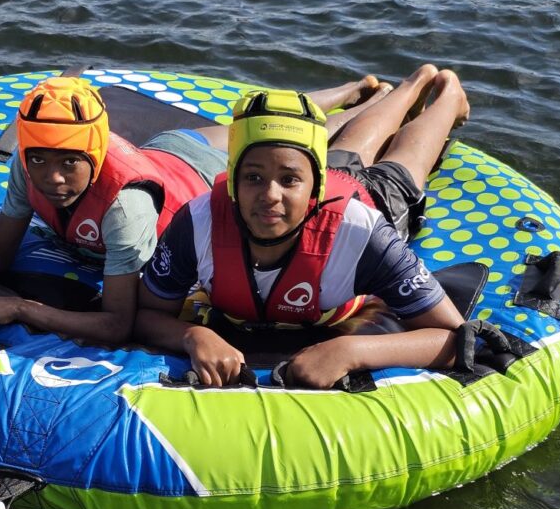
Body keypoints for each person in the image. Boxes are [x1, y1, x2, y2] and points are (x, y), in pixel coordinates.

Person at [0, 74, 383, 344]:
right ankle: (346, 88)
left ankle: (386, 98)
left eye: (70, 162)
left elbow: (117, 324)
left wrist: (21, 308)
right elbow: (0, 253)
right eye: (40, 159)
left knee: (297, 135)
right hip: (163, 148)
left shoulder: (125, 210)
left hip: (193, 169)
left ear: (94, 153)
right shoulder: (29, 166)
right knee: (280, 119)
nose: (53, 178)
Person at [135, 64, 471, 388]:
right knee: (347, 151)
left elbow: (455, 337)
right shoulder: (198, 222)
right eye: (253, 177)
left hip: (372, 199)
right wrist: (193, 335)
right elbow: (146, 314)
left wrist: (351, 351)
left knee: (404, 164)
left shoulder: (363, 233)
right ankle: (412, 85)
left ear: (314, 186)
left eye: (288, 180)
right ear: (233, 178)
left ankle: (448, 96)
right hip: (325, 175)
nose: (270, 195)